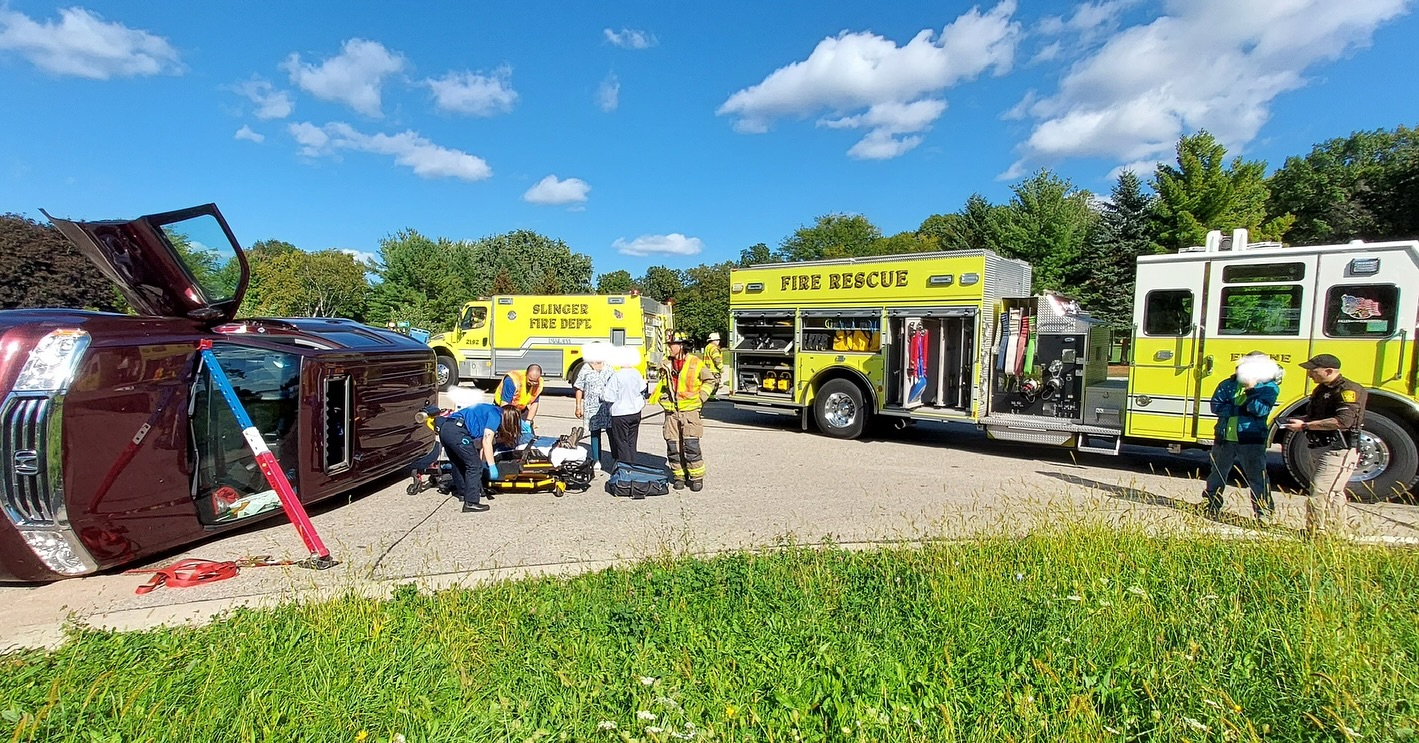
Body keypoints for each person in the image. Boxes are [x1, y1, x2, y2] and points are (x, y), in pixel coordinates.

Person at [1281, 353, 1369, 537]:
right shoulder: (1321, 389)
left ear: (1329, 371)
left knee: (1320, 490)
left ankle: (1316, 532)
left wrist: (1305, 426)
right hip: (1320, 446)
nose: (1309, 374)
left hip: (1339, 449)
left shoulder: (1349, 390)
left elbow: (1342, 421)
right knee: (1334, 491)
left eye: (1313, 370)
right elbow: (1317, 416)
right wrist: (1299, 420)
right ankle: (1334, 531)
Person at [1199, 352, 1281, 522]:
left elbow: (1259, 410)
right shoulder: (1228, 384)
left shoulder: (1269, 387)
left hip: (1251, 438)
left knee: (1257, 477)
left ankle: (1263, 513)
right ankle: (1210, 504)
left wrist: (1251, 390)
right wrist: (1242, 409)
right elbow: (1216, 407)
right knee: (1217, 474)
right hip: (1224, 437)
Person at [651, 331, 719, 491]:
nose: (669, 347)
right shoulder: (666, 364)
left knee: (691, 446)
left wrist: (701, 398)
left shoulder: (695, 362)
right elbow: (662, 386)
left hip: (690, 412)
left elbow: (710, 380)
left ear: (681, 346)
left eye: (672, 344)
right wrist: (663, 399)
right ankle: (679, 476)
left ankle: (696, 477)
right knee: (673, 446)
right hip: (672, 413)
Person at [440, 400, 523, 513]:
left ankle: (463, 494)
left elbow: (482, 443)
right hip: (458, 431)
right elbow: (486, 441)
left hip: (446, 428)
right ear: (509, 418)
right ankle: (471, 502)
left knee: (459, 462)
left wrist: (483, 460)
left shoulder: (490, 410)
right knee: (474, 466)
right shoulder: (496, 415)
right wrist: (492, 466)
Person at [602, 345, 650, 468]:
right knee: (631, 441)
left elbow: (609, 397)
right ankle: (632, 466)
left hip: (620, 413)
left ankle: (625, 468)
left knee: (621, 442)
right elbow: (642, 388)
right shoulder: (636, 373)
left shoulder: (617, 376)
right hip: (635, 412)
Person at [573, 343, 615, 471]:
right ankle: (597, 460)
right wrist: (578, 406)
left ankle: (616, 459)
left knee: (612, 432)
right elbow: (579, 388)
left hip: (607, 406)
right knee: (595, 432)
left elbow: (615, 386)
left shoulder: (609, 367)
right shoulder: (585, 368)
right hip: (591, 406)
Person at [702, 332, 724, 398]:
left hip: (707, 369)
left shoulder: (707, 347)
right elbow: (716, 359)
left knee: (709, 384)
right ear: (713, 340)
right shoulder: (714, 348)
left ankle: (709, 397)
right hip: (714, 370)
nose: (718, 341)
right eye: (717, 340)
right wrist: (721, 368)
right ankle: (711, 397)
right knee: (715, 385)